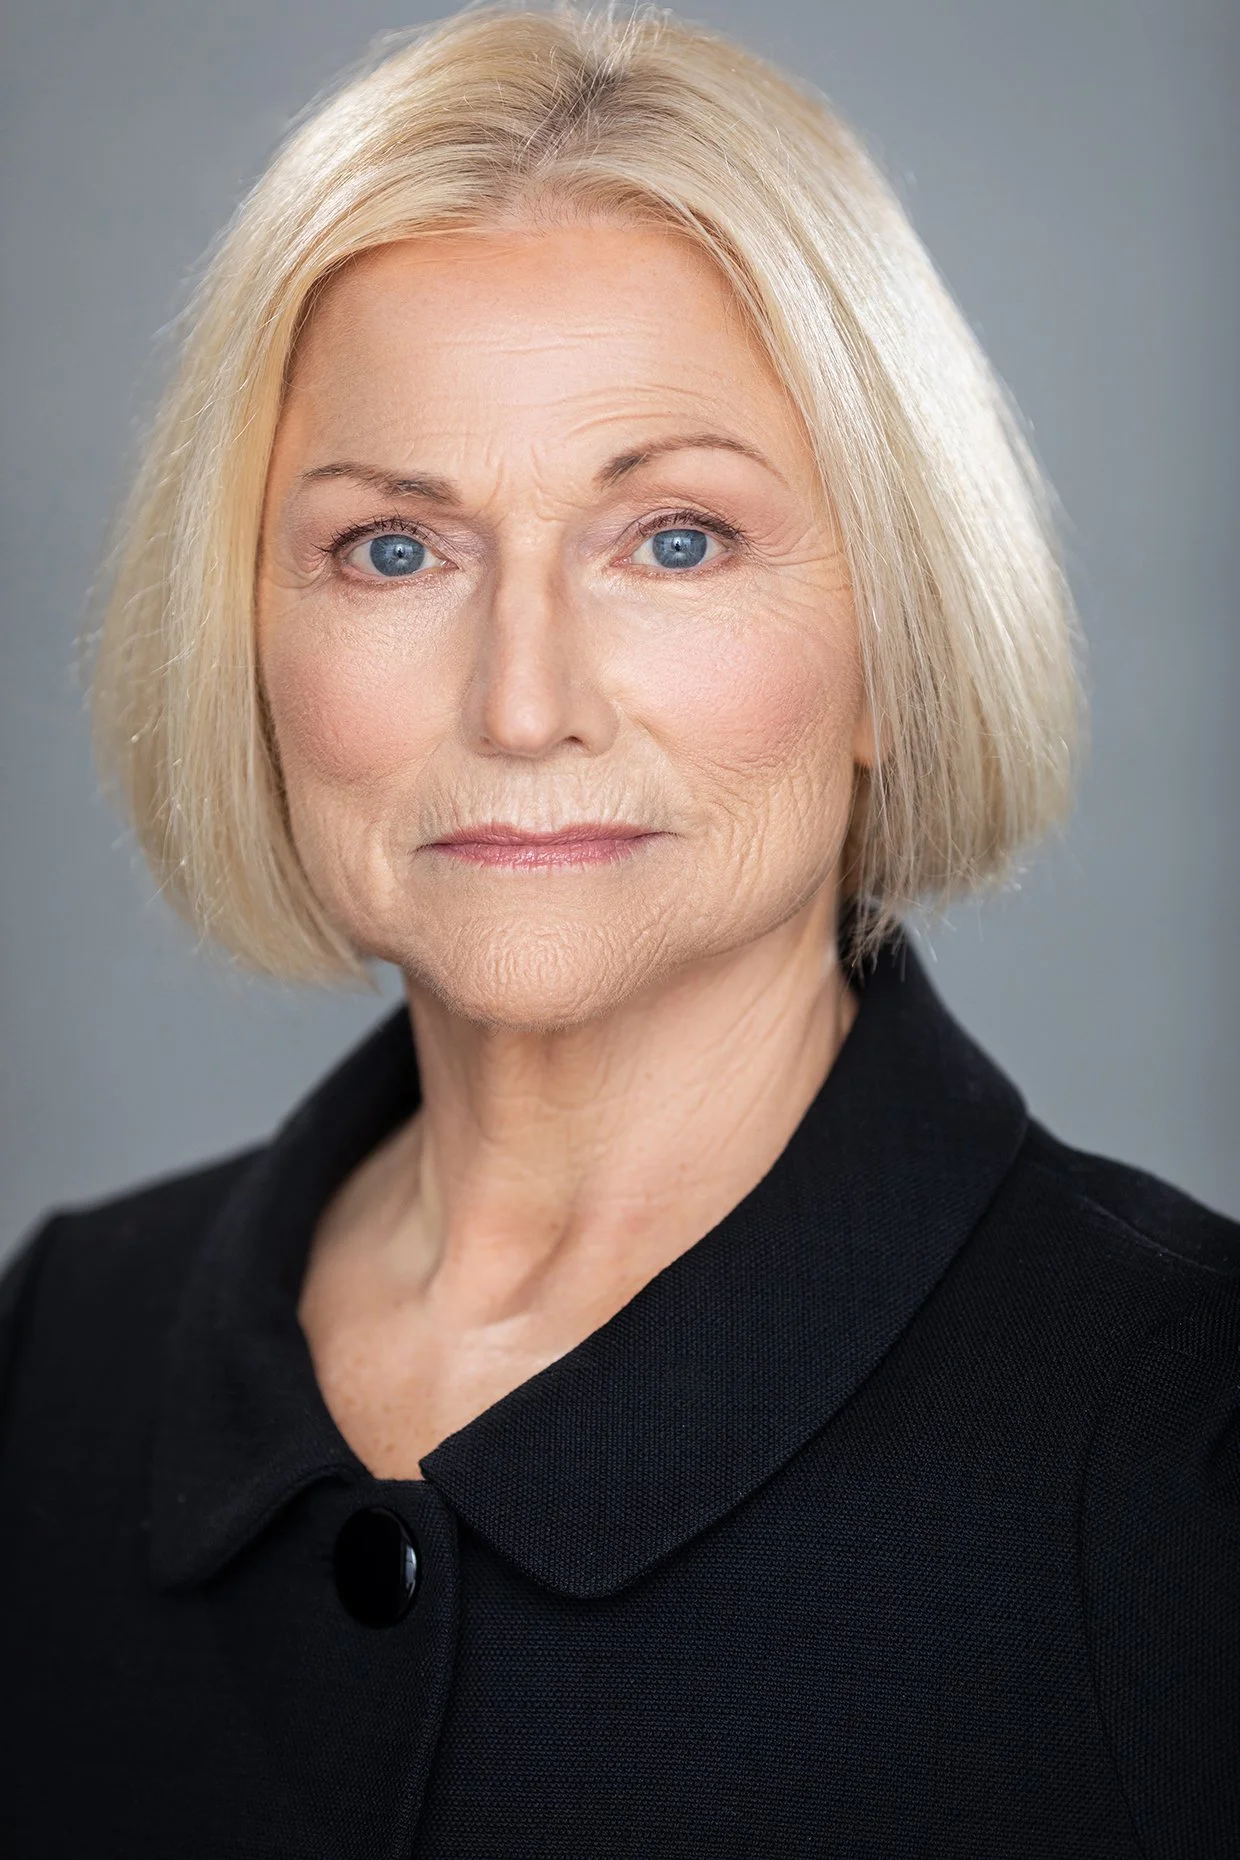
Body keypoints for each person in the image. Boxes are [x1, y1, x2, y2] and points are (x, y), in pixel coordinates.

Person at [1, 6, 1236, 1855]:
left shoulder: (1188, 1450)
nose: (521, 704)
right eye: (393, 550)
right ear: (242, 644)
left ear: (896, 637)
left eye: (673, 539)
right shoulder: (60, 1354)